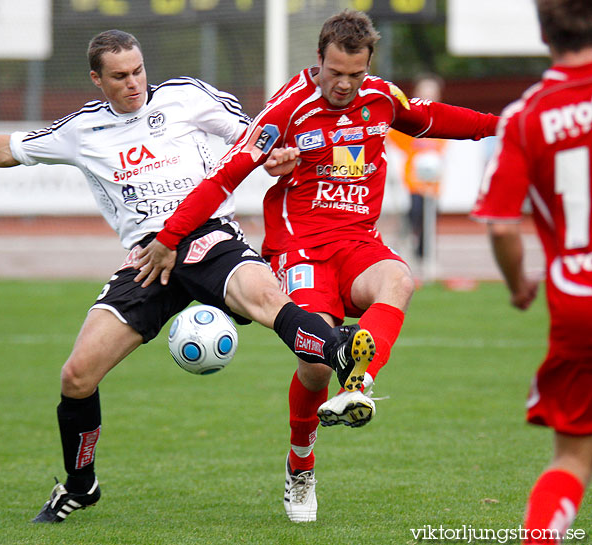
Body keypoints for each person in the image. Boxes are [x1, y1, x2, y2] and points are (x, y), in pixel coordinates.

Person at [0, 30, 373, 523]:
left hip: (208, 236)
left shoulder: (186, 97)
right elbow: (8, 147)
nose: (133, 83)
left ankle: (343, 353)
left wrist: (277, 155)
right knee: (77, 375)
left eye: (138, 71)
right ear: (96, 79)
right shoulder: (82, 130)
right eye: (119, 76)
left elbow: (254, 132)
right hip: (149, 259)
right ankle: (81, 485)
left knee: (265, 298)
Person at [136, 10, 499, 523]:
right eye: (335, 73)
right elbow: (224, 178)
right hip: (299, 249)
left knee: (399, 279)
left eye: (355, 73)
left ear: (367, 64)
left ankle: (358, 384)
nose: (345, 85)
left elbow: (435, 118)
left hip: (356, 242)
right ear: (319, 61)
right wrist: (171, 236)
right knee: (312, 364)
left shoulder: (381, 97)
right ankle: (300, 464)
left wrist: (503, 126)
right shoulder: (287, 110)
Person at [471, 1, 592, 542]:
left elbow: (500, 226)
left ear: (543, 32)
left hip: (576, 298)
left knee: (571, 459)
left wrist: (520, 284)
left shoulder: (525, 117)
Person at [387, 74, 447, 263]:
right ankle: (410, 246)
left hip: (433, 180)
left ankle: (425, 254)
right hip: (414, 180)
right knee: (416, 212)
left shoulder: (441, 119)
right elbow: (392, 134)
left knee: (431, 217)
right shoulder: (410, 120)